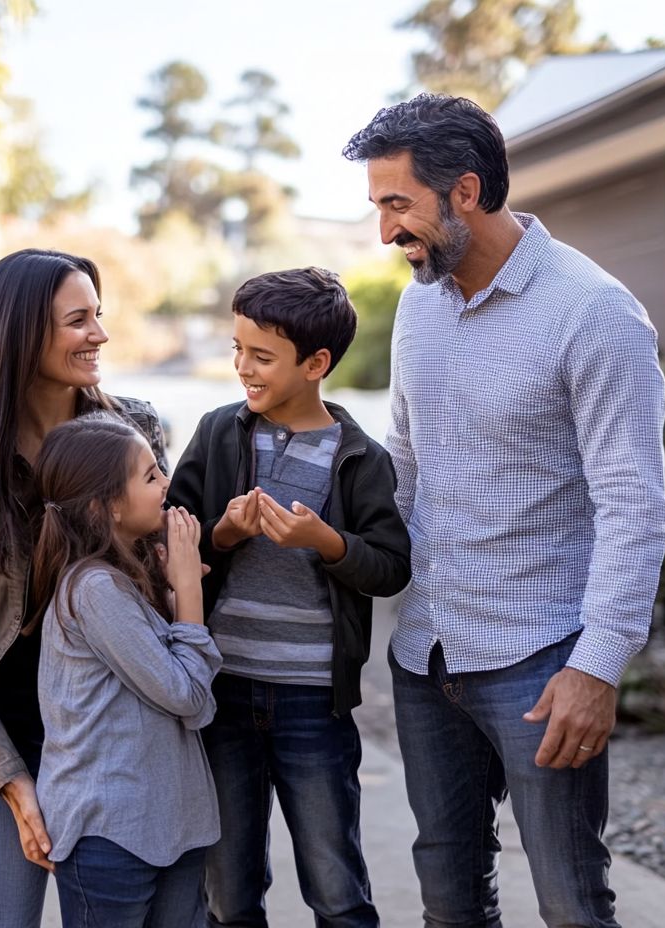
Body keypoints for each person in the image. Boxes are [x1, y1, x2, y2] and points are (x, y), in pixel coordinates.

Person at [342, 94, 665, 927]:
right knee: (449, 901)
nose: (384, 232)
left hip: (541, 661)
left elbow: (635, 506)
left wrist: (596, 667)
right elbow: (407, 464)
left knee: (570, 902)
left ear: (465, 191)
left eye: (397, 205)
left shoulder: (593, 315)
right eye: (377, 206)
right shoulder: (420, 303)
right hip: (426, 656)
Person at [0, 249, 166, 928]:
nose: (100, 335)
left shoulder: (136, 432)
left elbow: (168, 574)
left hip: (113, 738)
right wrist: (12, 780)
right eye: (79, 320)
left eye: (98, 316)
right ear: (22, 335)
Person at [167, 267, 412, 927]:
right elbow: (167, 543)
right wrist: (223, 531)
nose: (244, 367)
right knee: (228, 893)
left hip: (313, 703)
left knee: (337, 890)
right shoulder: (220, 434)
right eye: (238, 350)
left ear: (317, 363)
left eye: (263, 357)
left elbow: (391, 567)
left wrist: (327, 541)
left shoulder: (360, 457)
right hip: (222, 697)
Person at [30, 414, 221, 927]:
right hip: (114, 835)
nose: (166, 484)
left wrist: (170, 588)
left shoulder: (125, 580)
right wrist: (189, 594)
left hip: (173, 825)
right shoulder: (94, 589)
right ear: (107, 506)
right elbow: (187, 697)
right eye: (150, 476)